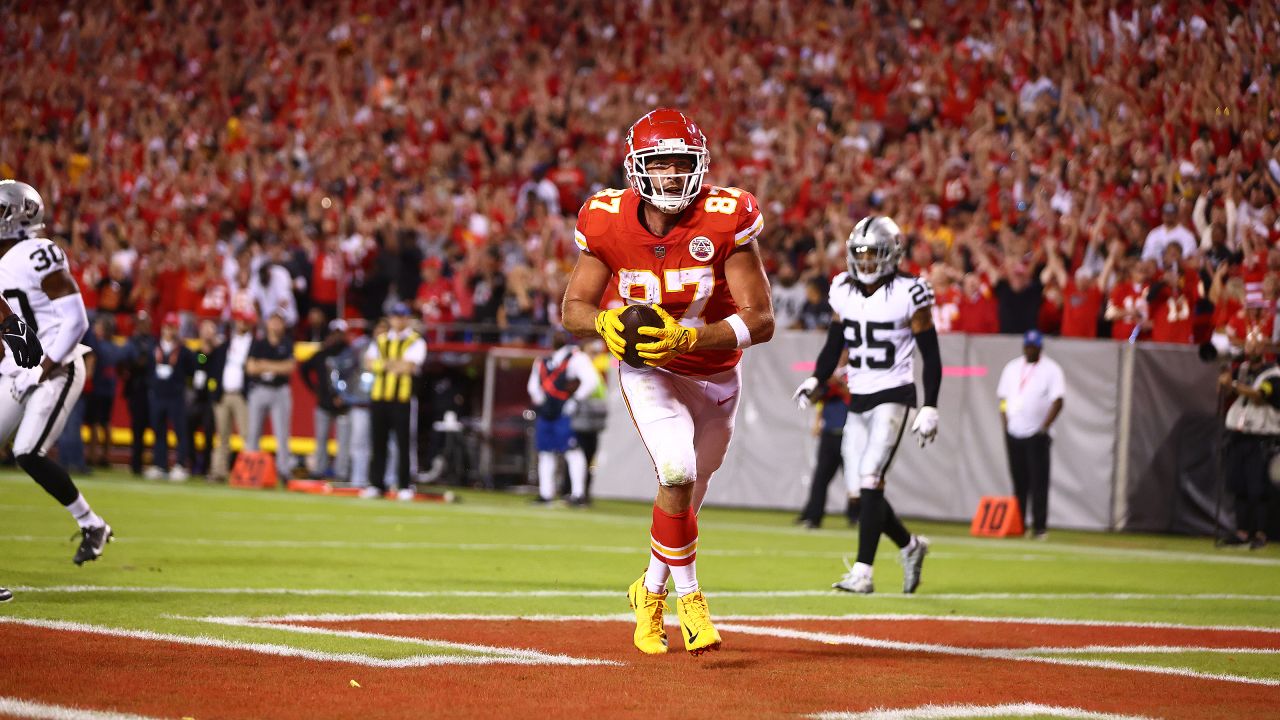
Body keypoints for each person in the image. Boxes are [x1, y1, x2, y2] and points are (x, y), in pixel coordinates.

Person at [562, 108, 774, 656]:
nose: (674, 176)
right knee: (676, 471)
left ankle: (647, 589)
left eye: (683, 164)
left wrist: (688, 340)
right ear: (638, 168)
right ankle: (690, 600)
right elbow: (574, 308)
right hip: (649, 370)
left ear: (699, 165)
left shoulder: (726, 217)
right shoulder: (607, 219)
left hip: (715, 374)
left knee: (685, 497)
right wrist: (605, 323)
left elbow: (761, 319)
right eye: (662, 164)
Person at [792, 215, 937, 595]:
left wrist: (931, 405)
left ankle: (863, 573)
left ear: (892, 254)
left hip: (895, 393)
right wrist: (817, 379)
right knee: (861, 491)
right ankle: (910, 545)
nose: (867, 261)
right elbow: (834, 342)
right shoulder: (843, 289)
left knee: (872, 476)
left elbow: (932, 355)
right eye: (861, 254)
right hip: (859, 395)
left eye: (874, 254)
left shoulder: (911, 291)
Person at [0, 180, 110, 565]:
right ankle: (94, 525)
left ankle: (91, 523)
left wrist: (41, 371)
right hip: (16, 370)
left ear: (20, 214)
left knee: (27, 453)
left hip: (57, 366)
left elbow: (76, 321)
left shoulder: (37, 253)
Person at [996, 329, 1065, 540]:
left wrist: (1044, 427)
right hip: (1014, 432)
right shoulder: (1012, 368)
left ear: (1041, 348)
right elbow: (1004, 399)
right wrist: (1006, 424)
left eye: (1034, 347)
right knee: (1019, 482)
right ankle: (1018, 525)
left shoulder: (1051, 369)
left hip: (1037, 434)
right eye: (1028, 346)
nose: (1030, 350)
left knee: (1038, 482)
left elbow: (1058, 400)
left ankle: (1039, 527)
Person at [360, 303, 426, 500]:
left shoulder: (416, 340)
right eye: (395, 316)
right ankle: (376, 484)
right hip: (380, 397)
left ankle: (404, 484)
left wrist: (384, 364)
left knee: (403, 443)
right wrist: (392, 364)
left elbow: (409, 367)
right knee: (378, 442)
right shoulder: (380, 340)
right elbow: (368, 363)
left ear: (407, 318)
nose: (398, 319)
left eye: (402, 316)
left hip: (402, 398)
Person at [1218, 336, 1279, 549]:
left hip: (1261, 437)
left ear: (1264, 349)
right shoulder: (1240, 370)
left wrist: (1233, 384)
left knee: (1258, 488)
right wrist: (1224, 382)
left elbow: (1259, 396)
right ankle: (1242, 532)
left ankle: (1261, 533)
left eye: (1257, 345)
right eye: (1249, 344)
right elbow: (1225, 393)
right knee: (1239, 485)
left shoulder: (1273, 374)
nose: (1251, 348)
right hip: (1238, 434)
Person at [526, 334, 599, 505]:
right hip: (547, 412)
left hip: (564, 411)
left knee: (572, 451)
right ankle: (546, 493)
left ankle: (578, 493)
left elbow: (591, 381)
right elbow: (533, 386)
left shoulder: (575, 357)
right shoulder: (542, 360)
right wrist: (539, 399)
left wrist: (575, 400)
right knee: (545, 452)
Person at [795, 375, 860, 529]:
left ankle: (857, 516)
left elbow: (853, 399)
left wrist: (840, 384)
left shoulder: (855, 376)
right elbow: (815, 401)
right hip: (829, 435)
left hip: (850, 436)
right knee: (820, 478)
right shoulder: (828, 381)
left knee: (854, 479)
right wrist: (817, 384)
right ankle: (813, 516)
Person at [143, 313, 197, 481]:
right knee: (159, 431)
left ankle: (181, 465)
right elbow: (148, 368)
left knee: (180, 432)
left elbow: (199, 361)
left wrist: (203, 355)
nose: (169, 330)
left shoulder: (184, 349)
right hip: (158, 395)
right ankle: (160, 465)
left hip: (176, 396)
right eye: (167, 327)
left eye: (173, 327)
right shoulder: (153, 347)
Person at [245, 309, 296, 479]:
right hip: (260, 389)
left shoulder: (287, 343)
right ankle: (249, 470)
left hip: (279, 391)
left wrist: (265, 364)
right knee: (253, 432)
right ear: (267, 323)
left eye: (279, 321)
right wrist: (276, 366)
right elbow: (251, 368)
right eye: (273, 320)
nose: (275, 324)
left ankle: (284, 471)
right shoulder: (258, 342)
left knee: (282, 434)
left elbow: (289, 368)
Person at [208, 309, 255, 482]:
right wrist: (215, 391)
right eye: (239, 320)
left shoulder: (254, 344)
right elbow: (210, 363)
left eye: (245, 321)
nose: (241, 324)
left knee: (246, 435)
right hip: (224, 394)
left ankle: (249, 473)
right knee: (222, 436)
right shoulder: (226, 344)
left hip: (242, 396)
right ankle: (218, 471)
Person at [301, 319, 351, 478]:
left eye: (339, 333)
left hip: (344, 405)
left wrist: (347, 396)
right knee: (321, 439)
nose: (337, 336)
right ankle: (319, 470)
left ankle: (342, 473)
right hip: (324, 403)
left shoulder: (350, 353)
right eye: (334, 332)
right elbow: (304, 368)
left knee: (343, 442)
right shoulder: (323, 353)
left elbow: (355, 376)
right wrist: (314, 388)